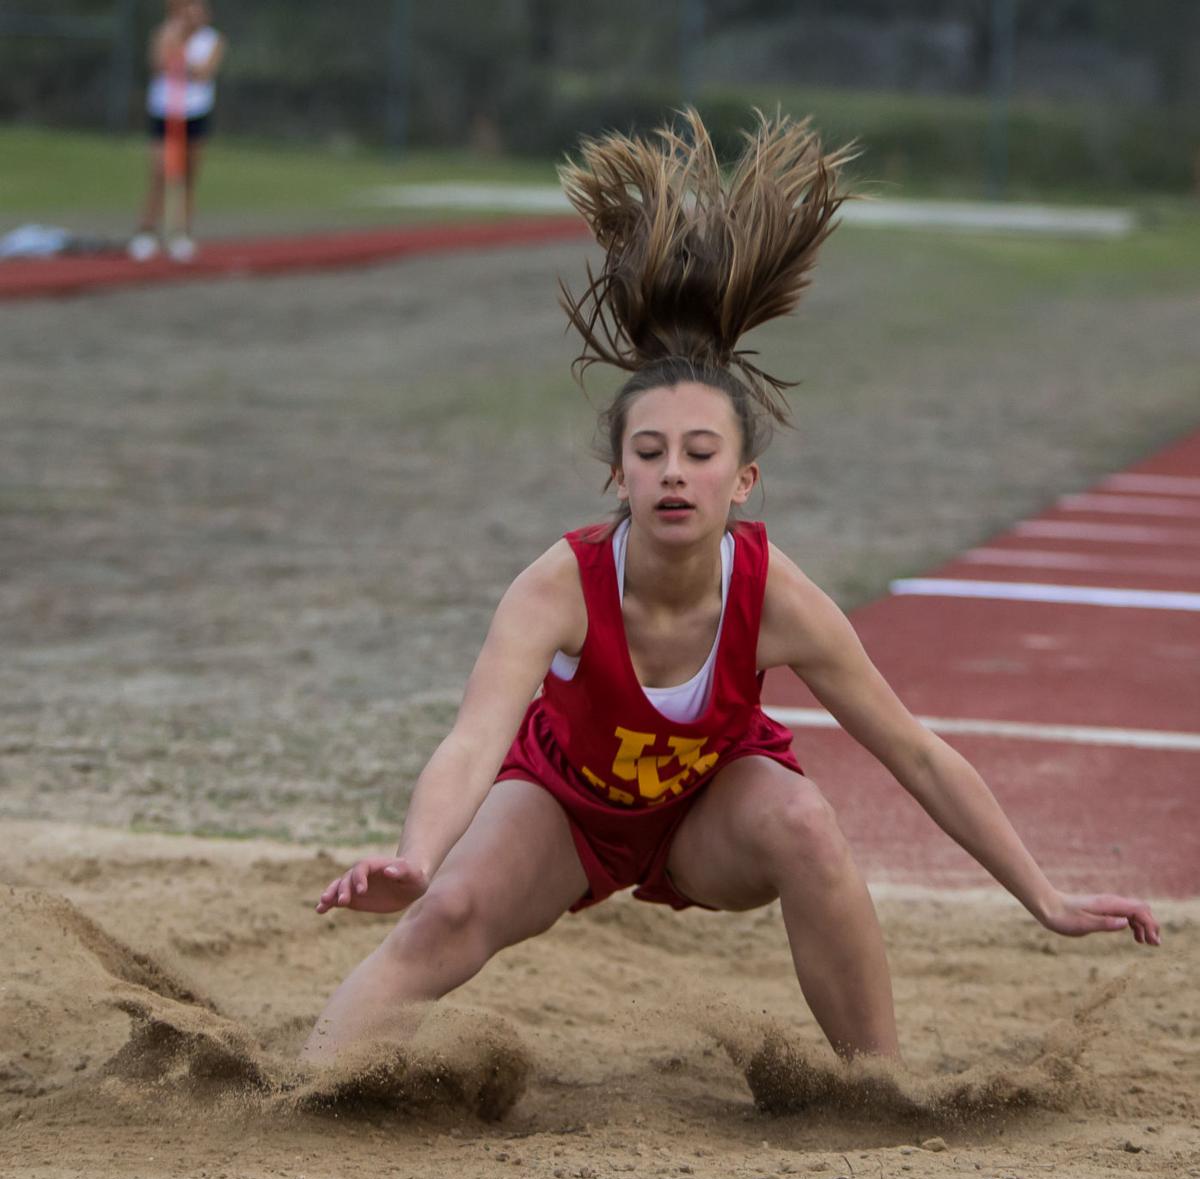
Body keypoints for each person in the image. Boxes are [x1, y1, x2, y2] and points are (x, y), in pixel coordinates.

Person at [301, 111, 1160, 1071]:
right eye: (650, 452)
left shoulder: (775, 595)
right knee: (447, 911)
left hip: (706, 821)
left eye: (701, 452)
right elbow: (472, 742)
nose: (675, 471)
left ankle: (879, 1090)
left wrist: (1043, 895)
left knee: (806, 824)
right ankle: (306, 1089)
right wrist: (418, 857)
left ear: (743, 480)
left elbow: (914, 752)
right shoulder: (560, 585)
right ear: (618, 475)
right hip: (566, 811)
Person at [129, 0, 226, 264]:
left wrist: (181, 61)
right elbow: (158, 63)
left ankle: (181, 233)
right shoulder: (165, 32)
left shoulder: (213, 39)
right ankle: (146, 232)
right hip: (165, 111)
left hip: (195, 112)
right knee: (160, 172)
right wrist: (175, 45)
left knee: (189, 174)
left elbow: (203, 73)